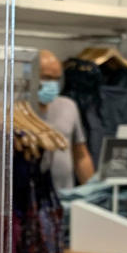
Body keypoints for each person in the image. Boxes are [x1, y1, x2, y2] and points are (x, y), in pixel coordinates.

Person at [38, 49, 94, 189]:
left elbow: (80, 155)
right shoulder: (14, 110)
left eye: (57, 79)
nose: (52, 84)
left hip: (64, 196)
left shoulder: (68, 106)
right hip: (28, 199)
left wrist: (92, 192)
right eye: (47, 78)